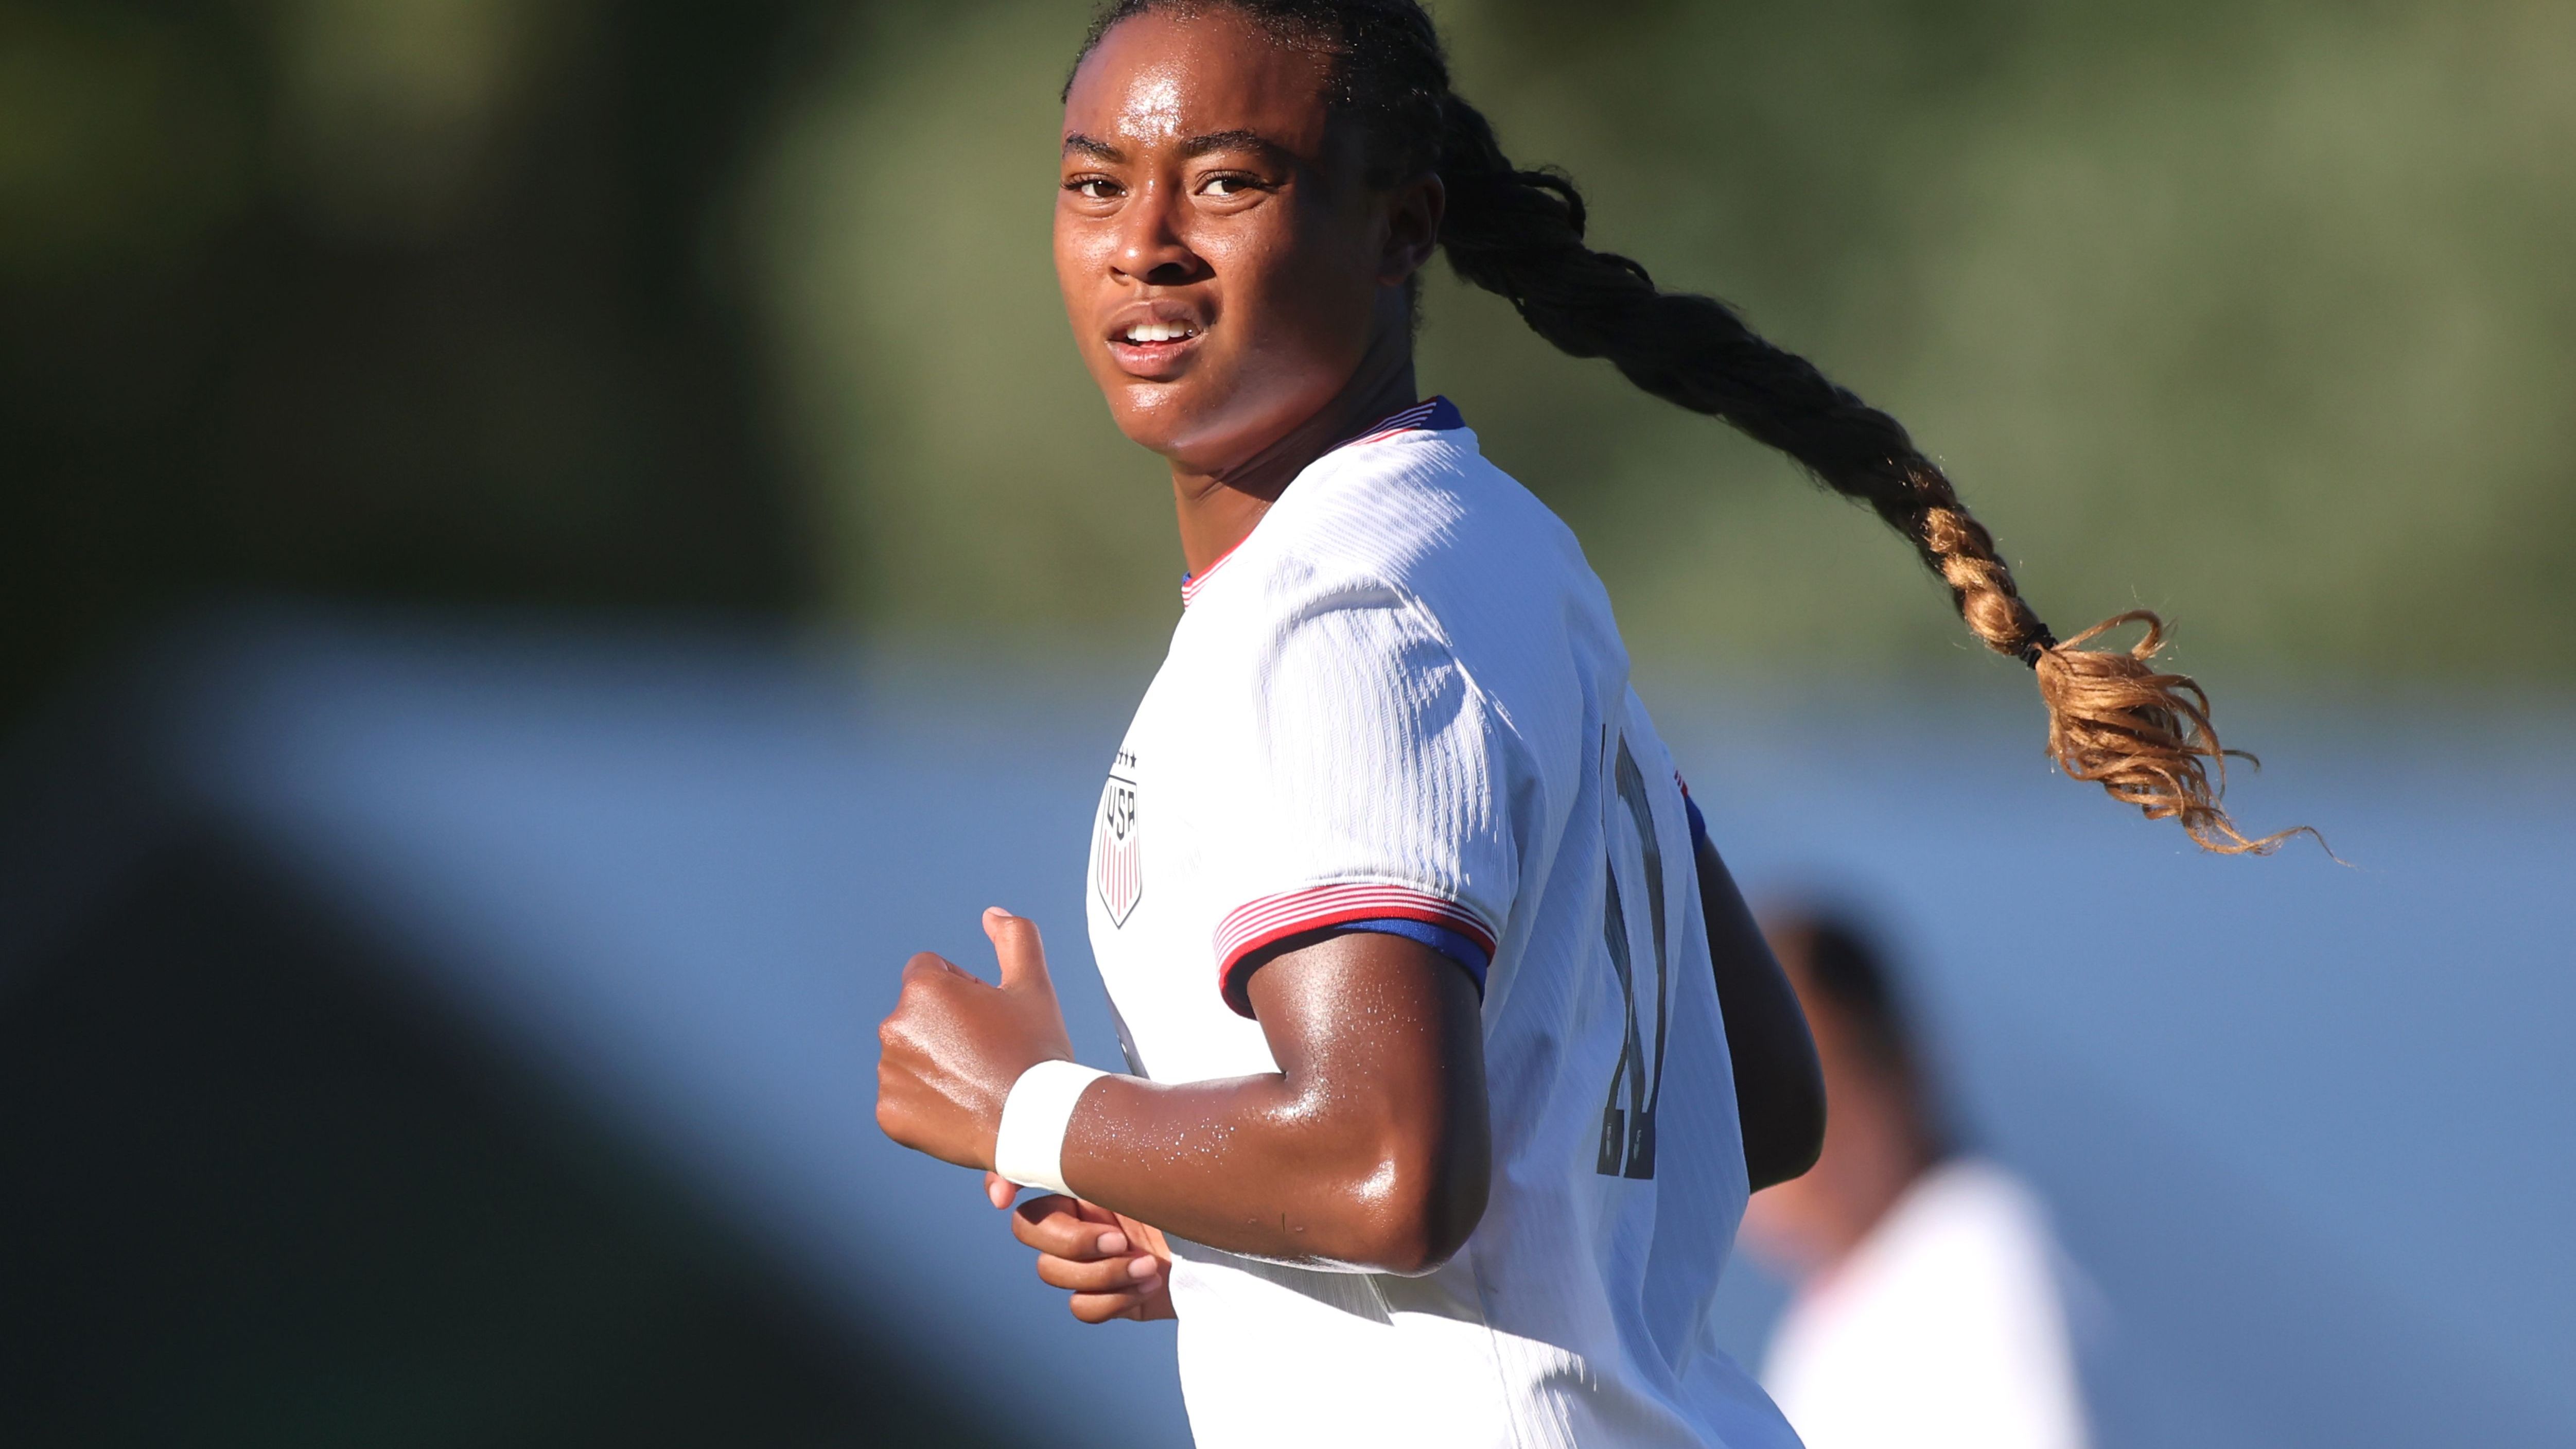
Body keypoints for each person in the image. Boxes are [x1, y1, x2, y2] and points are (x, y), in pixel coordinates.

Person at [872, 3, 2283, 1444]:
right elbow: (1754, 1094)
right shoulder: (1494, 548)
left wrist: (1027, 1103)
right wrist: (1221, 1233)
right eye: (1095, 180)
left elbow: (1389, 1164)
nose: (1143, 239)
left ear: (1399, 227)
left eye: (1229, 178)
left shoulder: (1336, 612)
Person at [1739, 910, 2089, 1449]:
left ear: (1903, 1069)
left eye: (1823, 1085)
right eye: (1741, 1108)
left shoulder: (1980, 1252)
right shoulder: (1824, 1316)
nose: (1782, 1141)